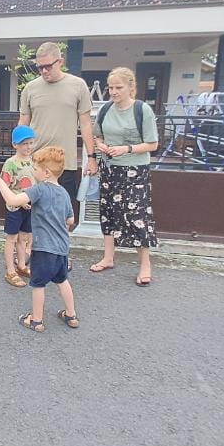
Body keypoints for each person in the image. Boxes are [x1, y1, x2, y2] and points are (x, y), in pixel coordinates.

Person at [0, 146, 79, 333]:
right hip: (61, 248)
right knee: (63, 281)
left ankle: (36, 320)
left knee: (38, 285)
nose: (33, 171)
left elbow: (12, 200)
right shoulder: (64, 193)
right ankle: (71, 315)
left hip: (43, 249)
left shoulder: (39, 189)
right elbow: (70, 220)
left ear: (46, 172)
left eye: (35, 168)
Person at [88, 67, 160, 286]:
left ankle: (145, 265)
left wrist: (126, 149)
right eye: (110, 87)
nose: (113, 92)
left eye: (118, 87)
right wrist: (101, 146)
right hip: (109, 168)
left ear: (131, 87)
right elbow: (97, 135)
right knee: (108, 212)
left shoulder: (142, 109)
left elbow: (153, 144)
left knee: (138, 215)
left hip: (135, 170)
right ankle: (108, 257)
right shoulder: (106, 109)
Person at [18, 42, 98, 204]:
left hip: (64, 164)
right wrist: (20, 156)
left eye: (48, 66)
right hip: (36, 162)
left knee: (64, 212)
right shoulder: (30, 88)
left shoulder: (78, 85)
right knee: (33, 211)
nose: (44, 71)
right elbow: (23, 124)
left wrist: (91, 157)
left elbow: (85, 124)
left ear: (60, 62)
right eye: (40, 67)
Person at [0, 125, 37, 287]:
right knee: (12, 238)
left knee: (24, 237)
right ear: (15, 145)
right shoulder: (10, 163)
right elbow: (4, 187)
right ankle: (10, 270)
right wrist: (20, 201)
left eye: (30, 143)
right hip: (14, 207)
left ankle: (22, 265)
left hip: (30, 205)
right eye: (24, 144)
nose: (28, 147)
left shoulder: (34, 161)